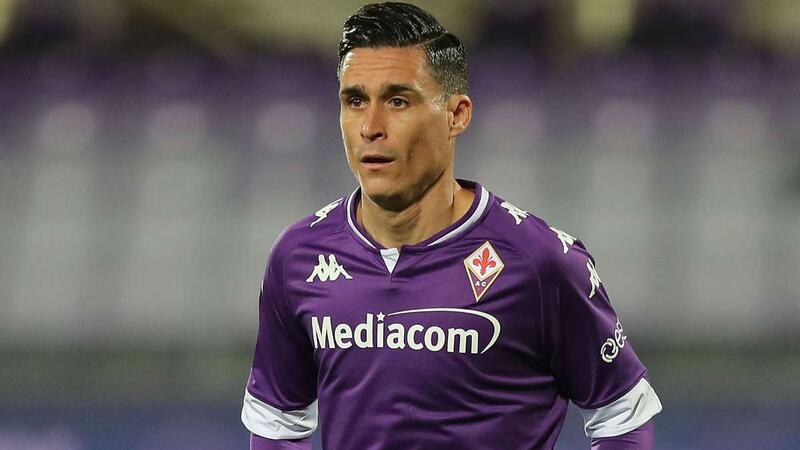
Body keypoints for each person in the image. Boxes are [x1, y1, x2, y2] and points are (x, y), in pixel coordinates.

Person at [241, 2, 662, 449]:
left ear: (456, 115)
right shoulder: (298, 257)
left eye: (398, 101)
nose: (370, 127)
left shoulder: (541, 263)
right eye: (355, 101)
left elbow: (622, 415)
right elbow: (276, 424)